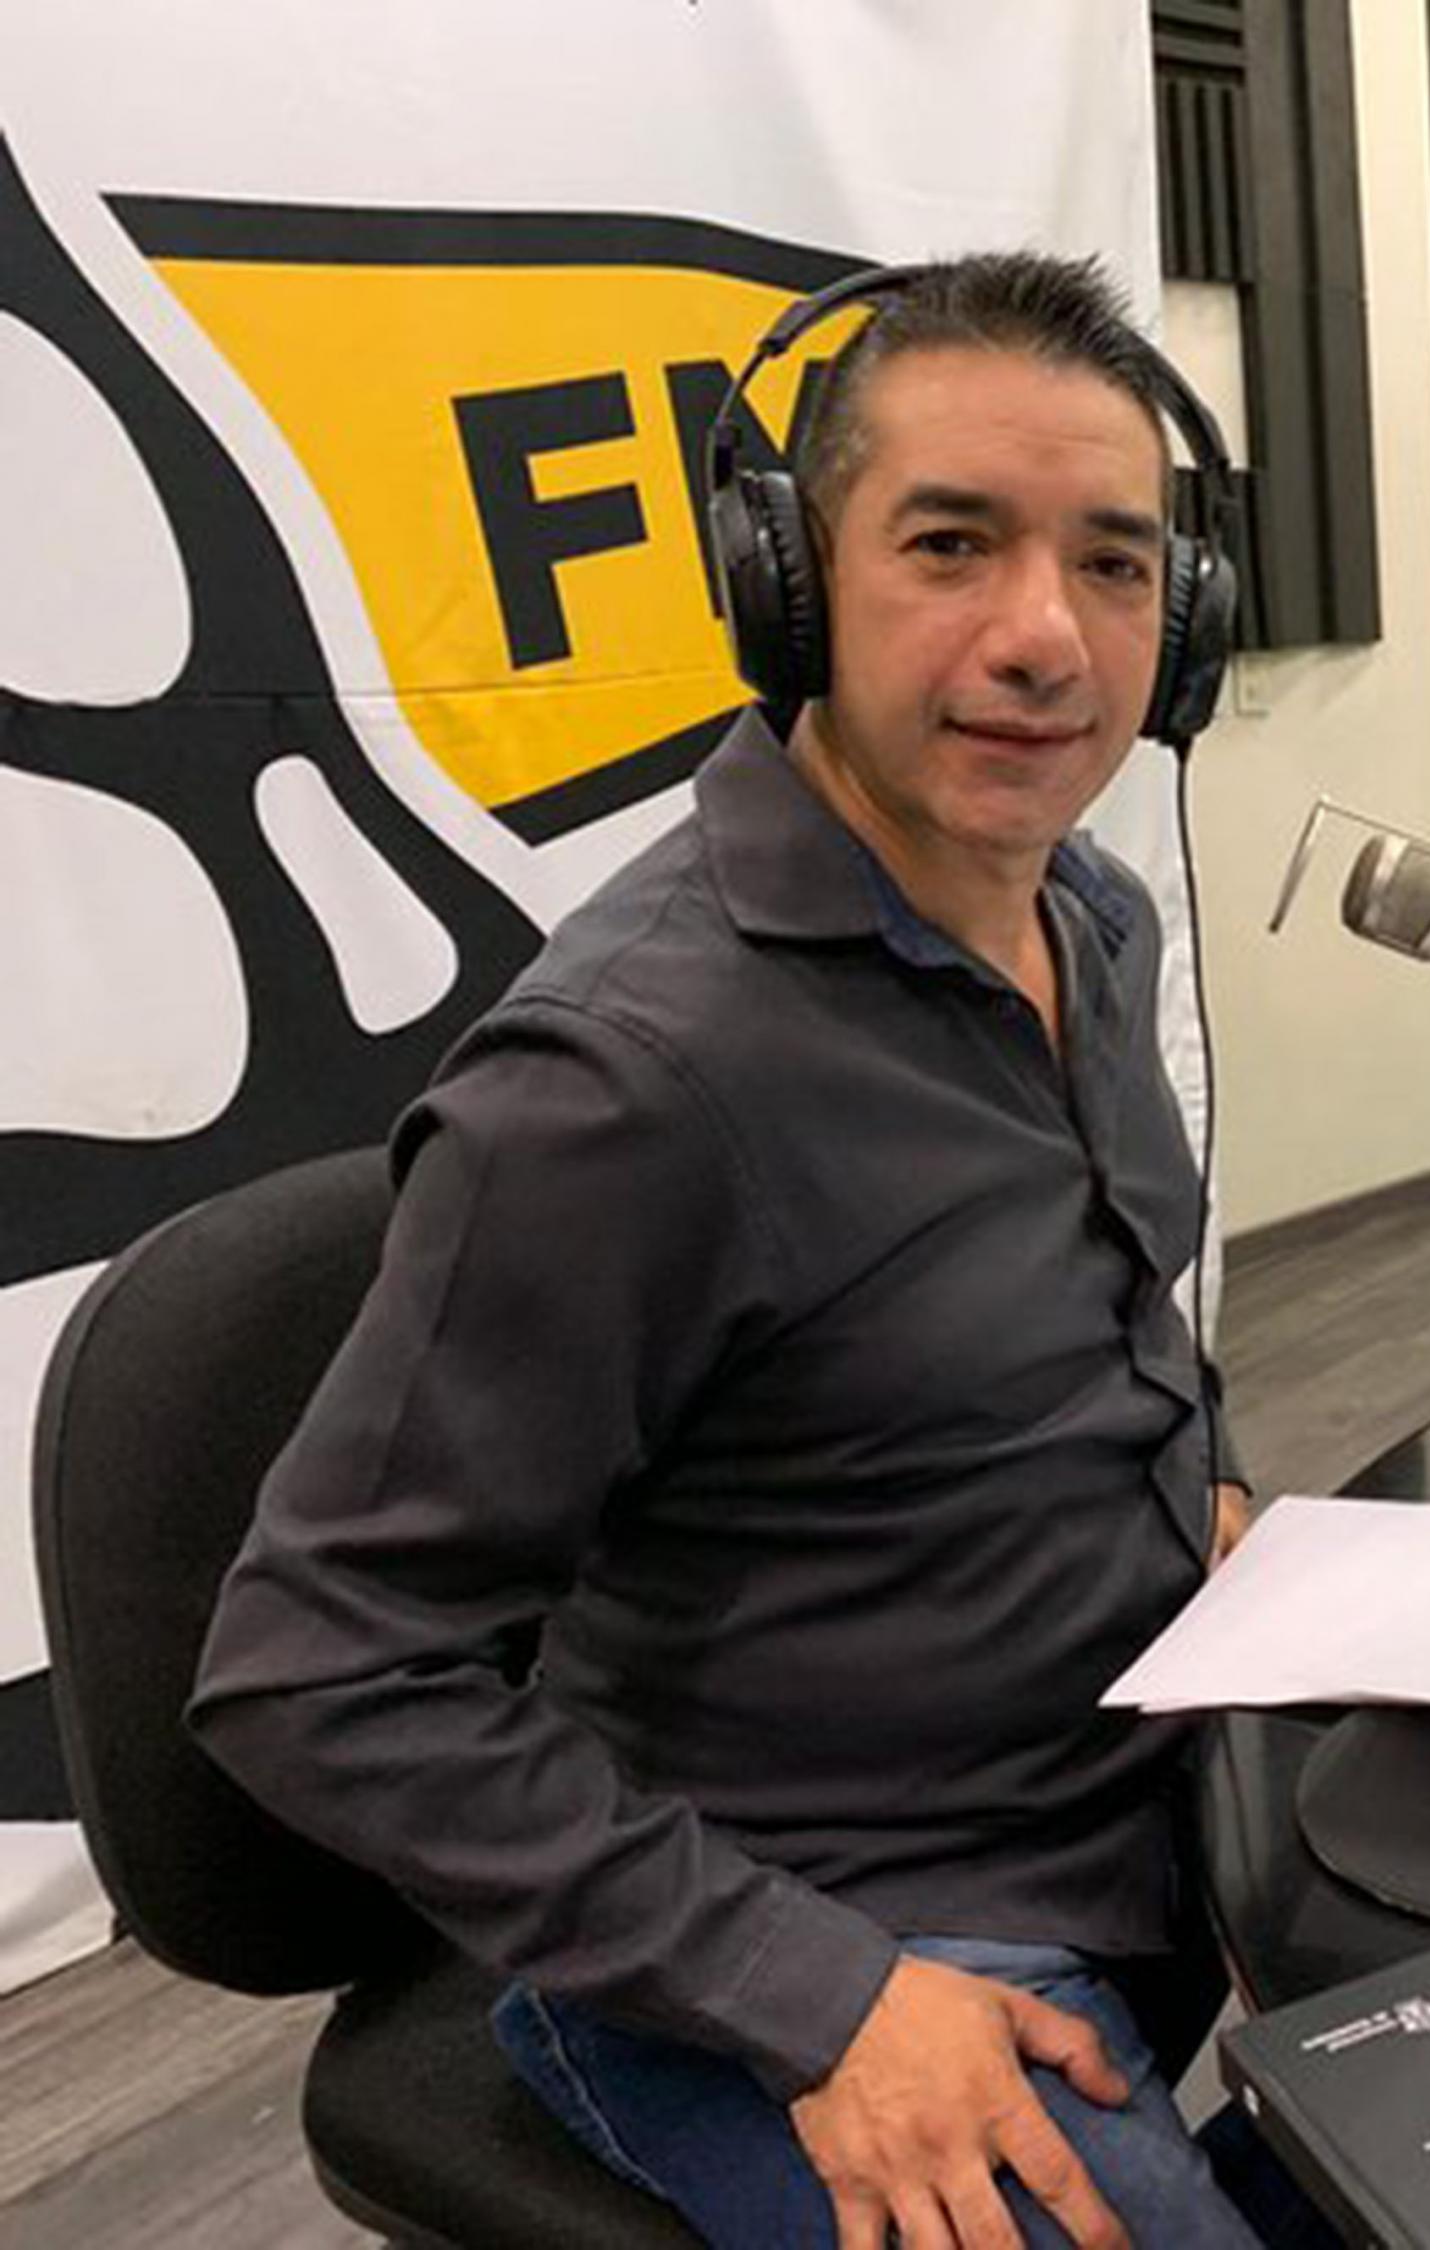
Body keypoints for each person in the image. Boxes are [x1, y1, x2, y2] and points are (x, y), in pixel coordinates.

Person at [192, 253, 1303, 2249]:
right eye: (951, 545)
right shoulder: (631, 1079)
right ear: (787, 584)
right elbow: (312, 1671)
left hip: (1128, 1824)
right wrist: (824, 1999)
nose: (1046, 636)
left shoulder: (1094, 921)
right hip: (810, 1937)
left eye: (1116, 564)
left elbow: (1085, 1323)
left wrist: (1198, 1495)